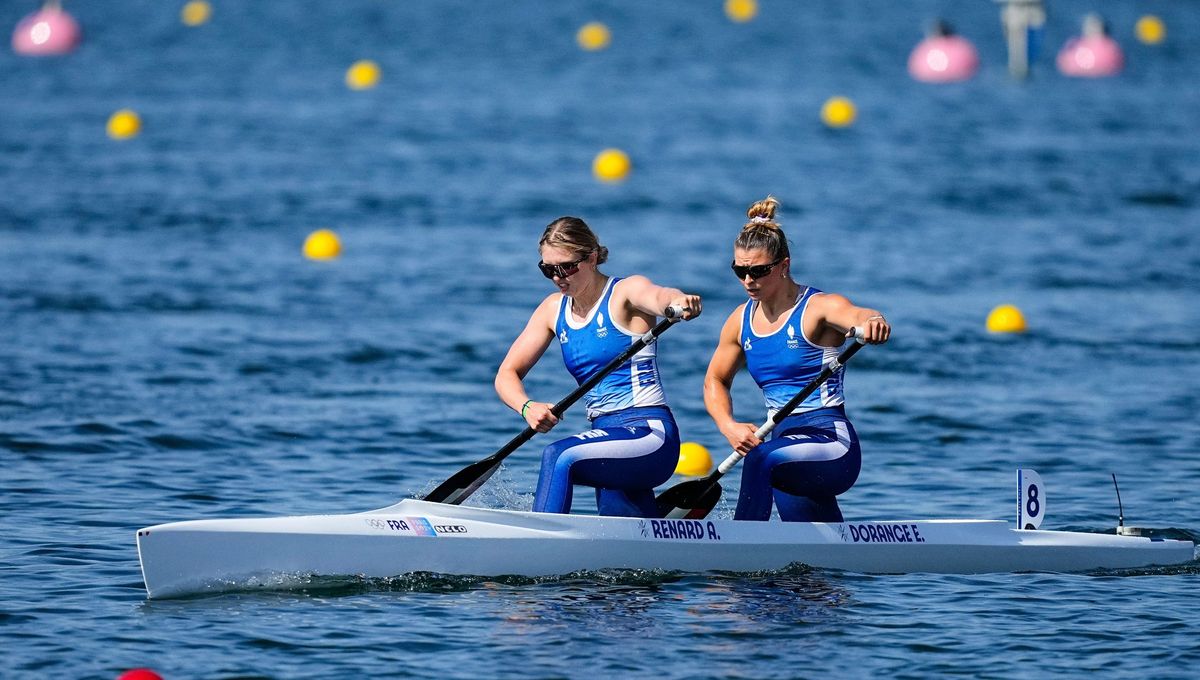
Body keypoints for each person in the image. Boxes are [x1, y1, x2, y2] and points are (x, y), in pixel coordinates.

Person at [495, 216, 702, 517]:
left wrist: (680, 301)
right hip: (608, 443)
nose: (558, 277)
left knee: (559, 455)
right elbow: (506, 375)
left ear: (591, 258)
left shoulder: (624, 293)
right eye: (548, 269)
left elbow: (659, 296)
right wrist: (527, 408)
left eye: (566, 267)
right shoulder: (553, 310)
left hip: (649, 436)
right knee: (626, 543)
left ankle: (540, 548)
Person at [704, 196, 890, 522]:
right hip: (784, 450)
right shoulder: (739, 320)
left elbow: (857, 314)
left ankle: (739, 557)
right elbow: (715, 381)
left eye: (759, 270)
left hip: (831, 445)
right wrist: (728, 425)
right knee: (814, 566)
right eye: (740, 270)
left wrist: (872, 321)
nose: (748, 280)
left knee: (759, 458)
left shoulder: (817, 308)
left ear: (784, 266)